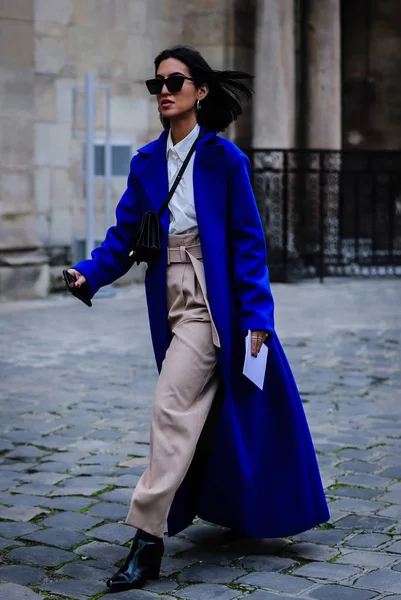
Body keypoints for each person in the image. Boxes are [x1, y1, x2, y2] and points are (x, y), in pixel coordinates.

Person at [65, 45, 329, 592]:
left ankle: (147, 540)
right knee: (210, 416)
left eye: (175, 81)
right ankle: (237, 510)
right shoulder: (144, 163)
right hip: (169, 294)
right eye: (156, 82)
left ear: (200, 91)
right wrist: (89, 272)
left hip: (216, 301)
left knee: (172, 405)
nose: (163, 90)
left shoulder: (224, 158)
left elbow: (247, 243)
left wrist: (257, 315)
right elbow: (125, 237)